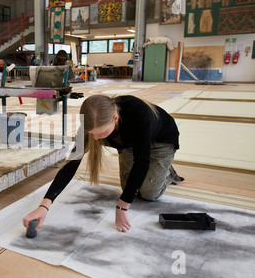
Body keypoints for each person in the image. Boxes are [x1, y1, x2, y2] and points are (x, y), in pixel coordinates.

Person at [23, 94, 184, 232]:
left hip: (161, 142)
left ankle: (166, 171)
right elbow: (71, 164)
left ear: (115, 118)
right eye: (92, 134)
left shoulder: (138, 113)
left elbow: (141, 162)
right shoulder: (91, 126)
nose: (95, 138)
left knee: (149, 194)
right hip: (130, 144)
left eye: (101, 133)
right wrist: (44, 206)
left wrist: (122, 207)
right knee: (130, 189)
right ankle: (158, 170)